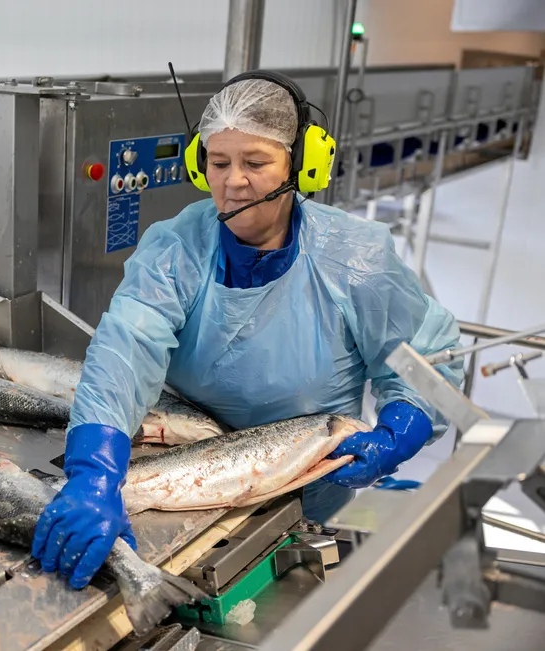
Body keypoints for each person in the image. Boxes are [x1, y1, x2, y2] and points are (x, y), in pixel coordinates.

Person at [31, 71, 464, 590]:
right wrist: (95, 471)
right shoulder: (176, 248)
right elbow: (125, 351)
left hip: (302, 499)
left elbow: (425, 360)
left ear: (300, 165)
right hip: (184, 482)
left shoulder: (356, 259)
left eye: (255, 163)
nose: (233, 182)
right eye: (218, 162)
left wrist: (399, 431)